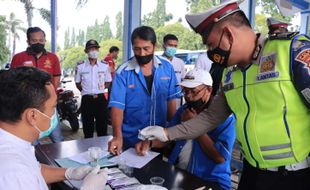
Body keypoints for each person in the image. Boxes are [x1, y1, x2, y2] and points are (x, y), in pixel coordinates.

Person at [139, 1, 310, 190]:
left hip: (294, 176)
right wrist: (166, 133)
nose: (211, 53)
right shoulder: (230, 75)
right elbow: (210, 117)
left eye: (211, 45)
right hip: (252, 173)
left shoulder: (291, 51)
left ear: (228, 34)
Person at [0, 67, 107, 190]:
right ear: (33, 116)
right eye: (53, 107)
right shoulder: (14, 173)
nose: (54, 114)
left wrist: (69, 173)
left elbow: (34, 170)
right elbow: (24, 174)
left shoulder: (14, 142)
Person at [136, 68, 235, 190]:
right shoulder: (184, 110)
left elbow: (219, 158)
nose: (189, 96)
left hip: (210, 180)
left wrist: (193, 125)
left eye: (194, 92)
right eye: (185, 91)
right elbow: (168, 136)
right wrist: (149, 143)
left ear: (208, 90)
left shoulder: (225, 118)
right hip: (181, 173)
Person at [108, 26, 182, 155]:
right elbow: (117, 107)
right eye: (137, 49)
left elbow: (171, 101)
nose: (141, 54)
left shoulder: (166, 68)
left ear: (155, 46)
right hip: (132, 141)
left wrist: (171, 133)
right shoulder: (123, 73)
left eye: (146, 49)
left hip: (159, 139)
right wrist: (117, 136)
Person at [11, 26, 64, 143]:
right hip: (28, 107)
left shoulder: (52, 57)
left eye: (41, 40)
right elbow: (13, 81)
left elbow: (56, 78)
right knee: (31, 141)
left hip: (48, 106)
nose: (38, 43)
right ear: (28, 41)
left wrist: (50, 96)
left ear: (45, 40)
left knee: (58, 139)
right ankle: (34, 161)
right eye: (34, 41)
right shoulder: (18, 58)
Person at [75, 39, 112, 138]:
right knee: (88, 129)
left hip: (100, 99)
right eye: (91, 49)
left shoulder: (104, 66)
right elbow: (77, 83)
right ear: (86, 51)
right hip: (87, 100)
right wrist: (86, 91)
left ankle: (103, 150)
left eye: (95, 48)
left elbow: (108, 81)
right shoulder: (81, 66)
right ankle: (88, 150)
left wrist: (100, 89)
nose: (93, 51)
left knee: (102, 128)